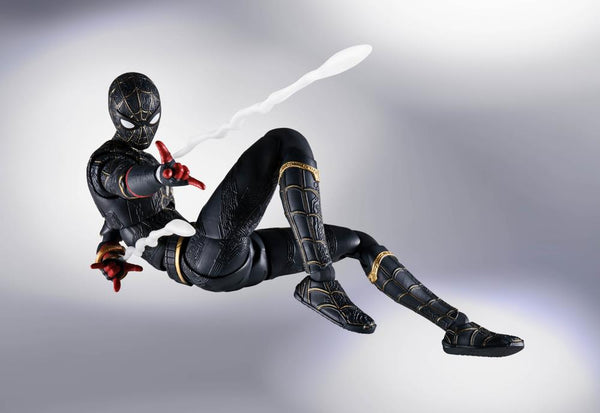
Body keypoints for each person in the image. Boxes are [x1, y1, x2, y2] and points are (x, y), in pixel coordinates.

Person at [88, 72, 524, 357]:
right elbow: (126, 182)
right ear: (116, 118)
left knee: (359, 243)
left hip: (241, 258)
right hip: (202, 255)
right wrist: (159, 175)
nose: (144, 129)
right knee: (284, 139)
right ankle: (321, 283)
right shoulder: (104, 164)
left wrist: (110, 252)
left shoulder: (133, 165)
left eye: (151, 119)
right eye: (133, 124)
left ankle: (458, 328)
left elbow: (115, 221)